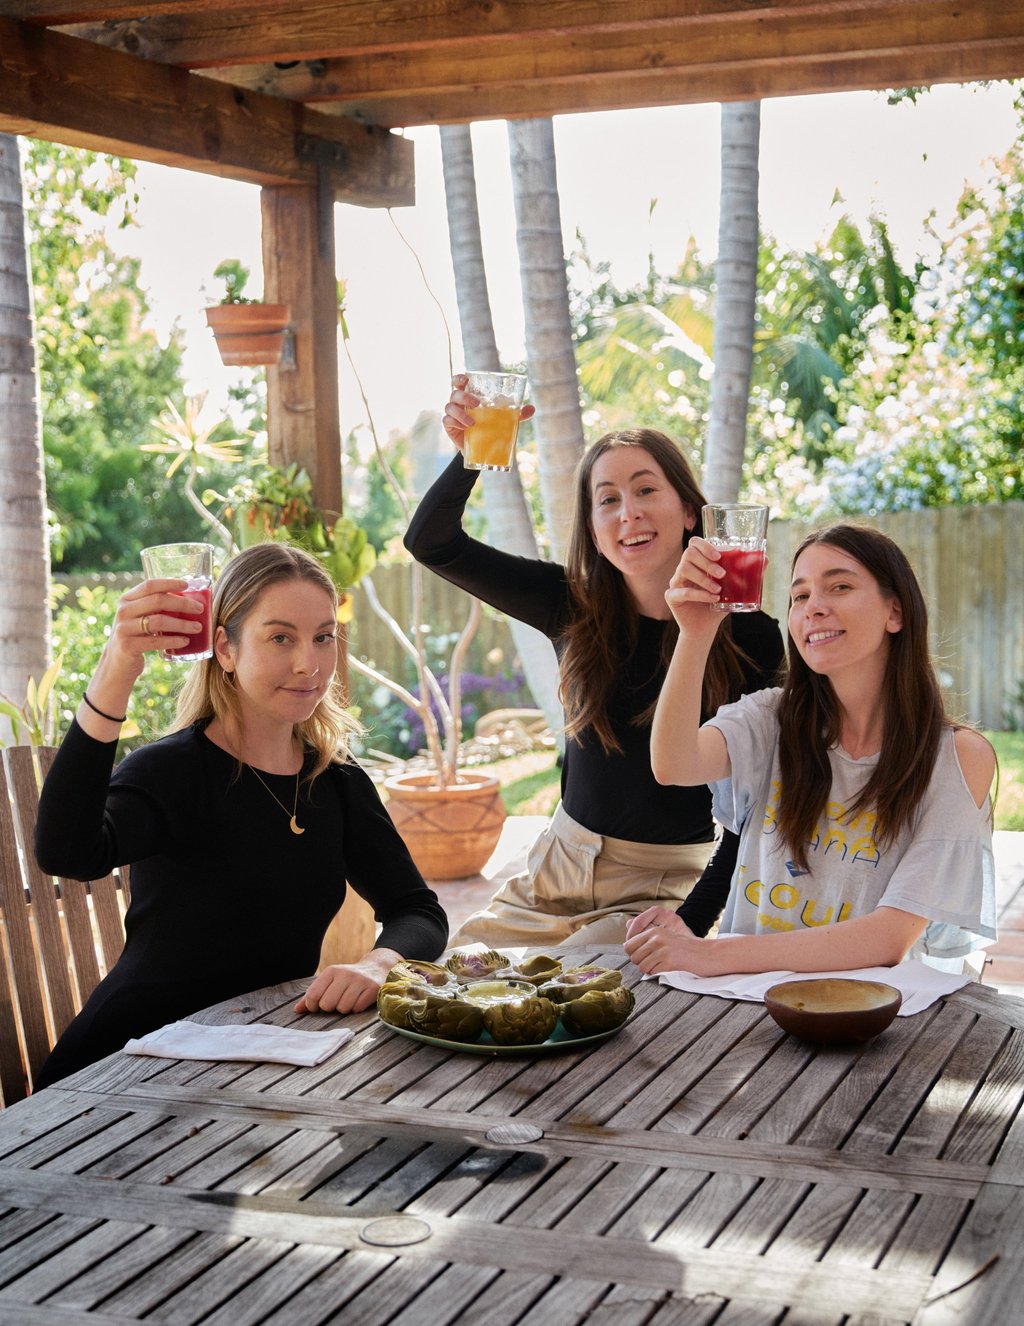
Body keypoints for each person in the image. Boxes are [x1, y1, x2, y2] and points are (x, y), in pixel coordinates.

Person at [34, 542, 448, 1088]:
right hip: (129, 1064)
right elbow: (66, 854)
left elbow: (418, 911)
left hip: (259, 1060)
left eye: (323, 636)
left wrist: (378, 964)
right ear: (224, 649)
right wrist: (118, 666)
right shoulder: (171, 771)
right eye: (281, 638)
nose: (310, 663)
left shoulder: (336, 783)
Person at [403, 376, 785, 948]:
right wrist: (468, 455)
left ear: (688, 511)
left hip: (664, 883)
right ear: (593, 530)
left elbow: (758, 799)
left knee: (569, 996)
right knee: (453, 982)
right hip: (555, 870)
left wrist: (697, 915)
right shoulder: (570, 604)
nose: (627, 513)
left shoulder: (750, 635)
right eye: (607, 499)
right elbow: (431, 543)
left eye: (645, 490)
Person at [624, 523, 997, 978]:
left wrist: (705, 955)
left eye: (839, 586)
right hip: (748, 1008)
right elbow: (673, 764)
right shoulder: (770, 719)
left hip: (874, 1019)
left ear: (895, 611)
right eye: (799, 597)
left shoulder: (958, 759)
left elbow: (889, 938)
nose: (813, 608)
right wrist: (696, 633)